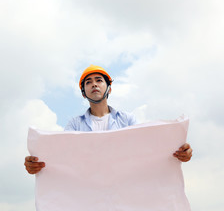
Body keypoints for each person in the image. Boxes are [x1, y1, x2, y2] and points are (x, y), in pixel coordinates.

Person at [25, 65, 193, 174]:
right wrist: (36, 164)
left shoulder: (127, 120)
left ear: (109, 89)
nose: (94, 84)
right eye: (88, 82)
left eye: (99, 80)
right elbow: (62, 157)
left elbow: (146, 149)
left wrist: (178, 152)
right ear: (84, 92)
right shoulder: (74, 125)